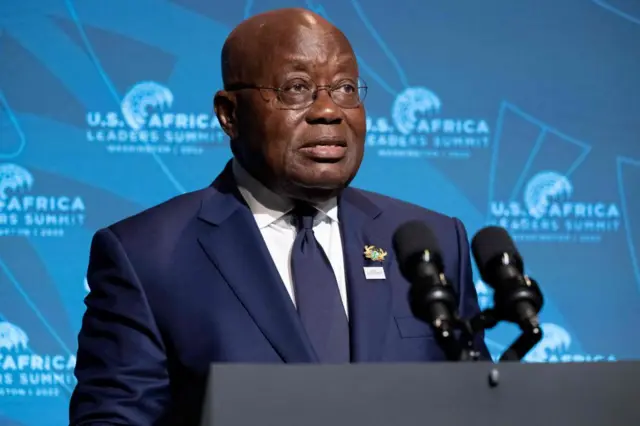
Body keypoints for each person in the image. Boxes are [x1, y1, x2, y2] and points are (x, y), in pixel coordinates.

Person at [69, 7, 489, 425]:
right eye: (296, 88)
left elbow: (476, 409)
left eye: (345, 87)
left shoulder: (429, 241)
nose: (329, 110)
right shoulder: (147, 256)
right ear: (229, 115)